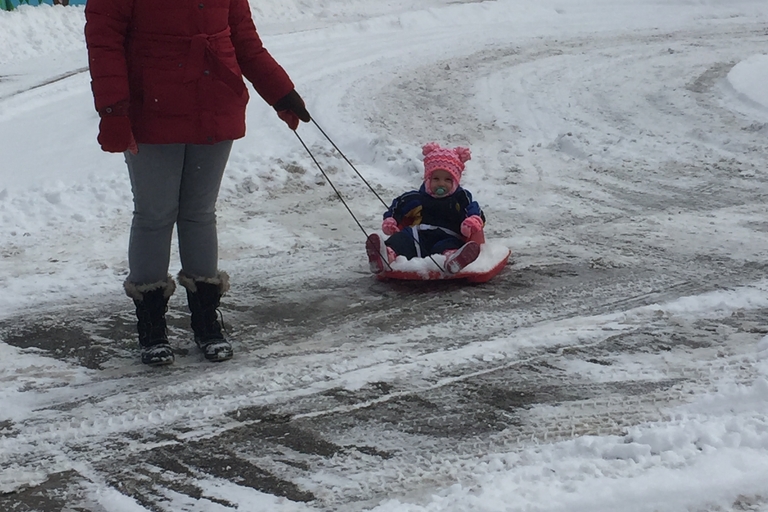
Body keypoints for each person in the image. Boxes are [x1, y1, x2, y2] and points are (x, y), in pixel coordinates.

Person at [84, 0, 311, 366]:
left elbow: (244, 40)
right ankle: (152, 328)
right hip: (152, 106)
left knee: (199, 213)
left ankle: (206, 321)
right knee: (155, 215)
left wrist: (280, 91)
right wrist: (112, 110)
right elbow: (104, 42)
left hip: (215, 101)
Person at [366, 142, 485, 275]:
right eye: (436, 179)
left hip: (447, 236)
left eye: (447, 180)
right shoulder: (417, 198)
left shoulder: (461, 198)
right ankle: (385, 256)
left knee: (447, 246)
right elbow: (398, 206)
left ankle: (453, 260)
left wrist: (472, 221)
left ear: (456, 181)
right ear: (427, 179)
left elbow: (474, 209)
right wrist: (391, 220)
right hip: (417, 235)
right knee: (401, 240)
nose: (441, 183)